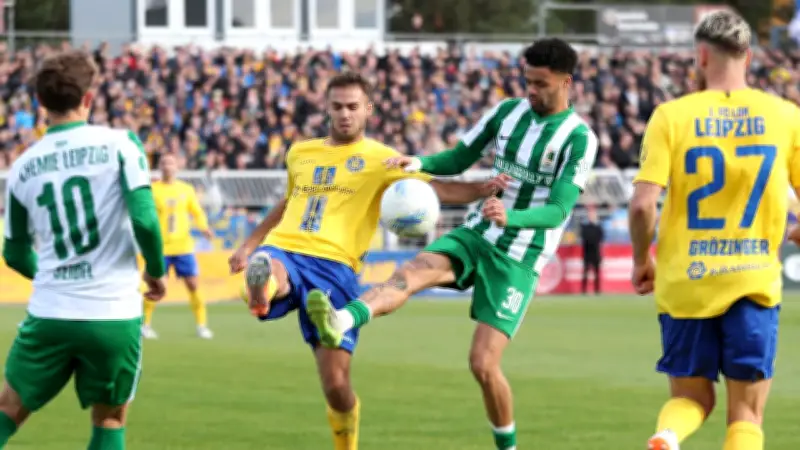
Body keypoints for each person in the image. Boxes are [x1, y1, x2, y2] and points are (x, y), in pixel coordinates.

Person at [307, 38, 597, 450]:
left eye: (540, 83)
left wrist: (512, 216)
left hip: (520, 255)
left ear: (566, 82)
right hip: (478, 232)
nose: (530, 90)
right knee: (411, 271)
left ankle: (507, 446)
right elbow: (460, 157)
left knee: (482, 365)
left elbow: (557, 210)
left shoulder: (580, 139)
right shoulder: (507, 113)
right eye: (526, 80)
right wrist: (418, 163)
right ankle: (342, 320)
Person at [227, 72, 508, 450]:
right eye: (337, 107)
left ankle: (347, 444)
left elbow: (437, 188)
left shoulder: (382, 159)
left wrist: (483, 188)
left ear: (368, 109)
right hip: (286, 247)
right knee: (269, 266)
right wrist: (250, 244)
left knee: (337, 386)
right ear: (327, 108)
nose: (344, 114)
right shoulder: (300, 152)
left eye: (352, 107)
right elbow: (288, 202)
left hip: (335, 267)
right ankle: (262, 290)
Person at [628, 11, 800, 450]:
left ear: (701, 55)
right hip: (752, 279)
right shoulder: (784, 116)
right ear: (749, 56)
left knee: (691, 397)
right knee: (746, 414)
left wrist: (640, 260)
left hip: (686, 281)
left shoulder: (671, 115)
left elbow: (643, 203)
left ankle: (668, 434)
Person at [0, 50, 166, 450]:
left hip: (51, 313)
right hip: (112, 314)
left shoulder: (23, 166)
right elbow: (144, 219)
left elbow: (15, 254)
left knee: (7, 410)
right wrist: (155, 271)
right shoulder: (120, 144)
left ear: (41, 104)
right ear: (88, 98)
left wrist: (54, 276)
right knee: (110, 417)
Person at [142, 153, 215, 340]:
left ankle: (201, 325)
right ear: (160, 166)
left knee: (193, 284)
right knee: (155, 285)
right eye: (164, 162)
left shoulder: (186, 189)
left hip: (183, 247)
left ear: (177, 167)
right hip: (160, 248)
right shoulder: (152, 190)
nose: (168, 166)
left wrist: (204, 227)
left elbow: (196, 212)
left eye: (171, 163)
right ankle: (145, 325)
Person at [580, 204, 604, 294]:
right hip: (587, 253)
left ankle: (597, 290)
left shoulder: (598, 227)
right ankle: (584, 291)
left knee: (597, 273)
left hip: (596, 253)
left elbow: (600, 238)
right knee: (585, 272)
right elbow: (585, 237)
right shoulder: (584, 227)